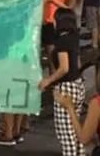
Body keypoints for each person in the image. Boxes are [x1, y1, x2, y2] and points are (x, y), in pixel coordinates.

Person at [38, 8, 84, 156]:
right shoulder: (74, 36)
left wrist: (48, 81)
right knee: (76, 128)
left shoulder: (62, 41)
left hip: (66, 88)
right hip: (78, 85)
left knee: (66, 133)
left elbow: (64, 68)